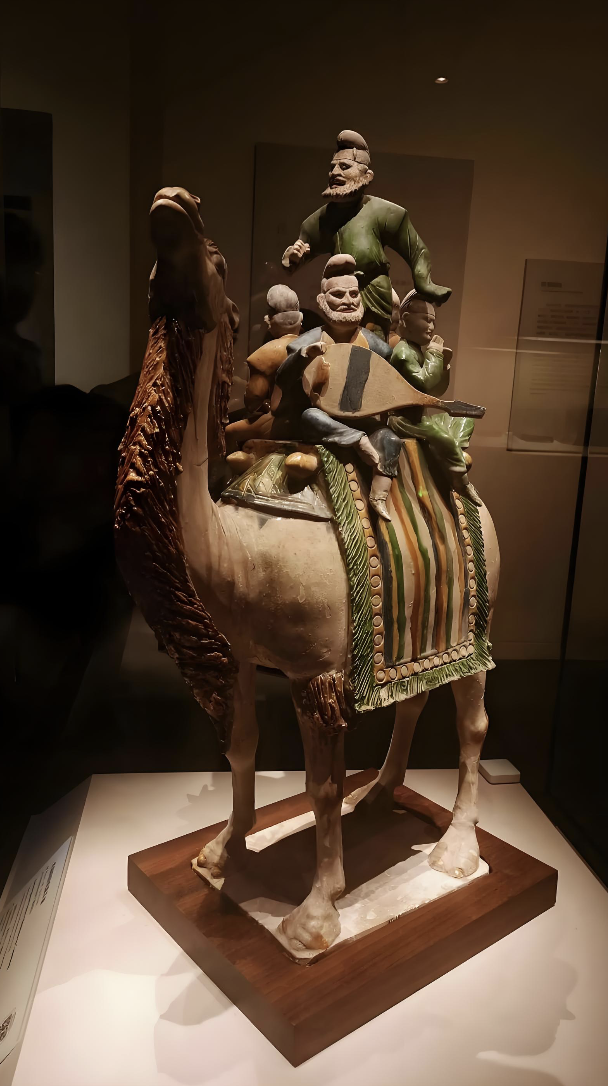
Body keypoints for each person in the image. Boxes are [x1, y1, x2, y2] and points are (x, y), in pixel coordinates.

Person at [282, 130, 451, 337]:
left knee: (373, 344)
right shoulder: (318, 221)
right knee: (340, 345)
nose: (334, 173)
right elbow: (297, 256)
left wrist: (423, 282)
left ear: (367, 176)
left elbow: (417, 251)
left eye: (344, 167)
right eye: (332, 167)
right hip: (339, 295)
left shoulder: (386, 213)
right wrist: (293, 257)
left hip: (373, 295)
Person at [271, 254, 402, 520]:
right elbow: (283, 378)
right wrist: (304, 356)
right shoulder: (306, 342)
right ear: (322, 301)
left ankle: (379, 496)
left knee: (390, 439)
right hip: (322, 417)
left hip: (361, 416)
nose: (348, 301)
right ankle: (357, 441)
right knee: (311, 417)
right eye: (338, 295)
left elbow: (387, 385)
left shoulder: (377, 347)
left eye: (353, 294)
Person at [388, 290, 479, 502]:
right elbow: (423, 382)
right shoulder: (403, 352)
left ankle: (449, 453)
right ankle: (460, 480)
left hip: (419, 418)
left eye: (433, 322)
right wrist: (434, 355)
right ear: (406, 319)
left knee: (464, 419)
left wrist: (443, 366)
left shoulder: (416, 350)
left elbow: (434, 391)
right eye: (426, 320)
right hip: (403, 420)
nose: (431, 327)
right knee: (443, 437)